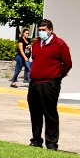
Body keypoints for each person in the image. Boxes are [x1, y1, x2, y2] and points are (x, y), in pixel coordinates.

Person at [27, 18, 71, 150]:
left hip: (50, 84)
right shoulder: (36, 44)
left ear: (50, 30)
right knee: (35, 113)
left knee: (50, 113)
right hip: (35, 83)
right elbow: (35, 59)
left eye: (43, 30)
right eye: (39, 30)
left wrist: (56, 76)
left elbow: (68, 64)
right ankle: (36, 140)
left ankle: (51, 143)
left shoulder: (59, 44)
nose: (41, 32)